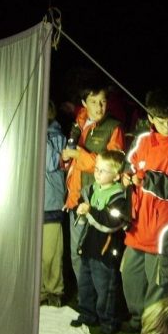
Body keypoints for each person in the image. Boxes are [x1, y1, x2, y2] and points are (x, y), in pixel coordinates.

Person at [121, 90, 168, 332]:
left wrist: (151, 180)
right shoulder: (142, 139)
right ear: (151, 118)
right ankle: (136, 321)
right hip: (137, 225)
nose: (167, 125)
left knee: (159, 285)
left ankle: (153, 332)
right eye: (161, 120)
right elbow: (129, 164)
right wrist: (125, 176)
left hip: (163, 230)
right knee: (129, 276)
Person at [62, 79, 125, 285]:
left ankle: (101, 309)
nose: (99, 106)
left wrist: (79, 154)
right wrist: (65, 159)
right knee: (76, 254)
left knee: (98, 260)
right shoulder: (78, 123)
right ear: (84, 103)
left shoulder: (113, 127)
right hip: (75, 199)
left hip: (98, 203)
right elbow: (72, 163)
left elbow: (112, 166)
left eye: (103, 101)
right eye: (94, 101)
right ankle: (85, 305)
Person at [71, 150, 128, 334]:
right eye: (96, 169)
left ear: (117, 175)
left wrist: (89, 211)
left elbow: (110, 223)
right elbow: (85, 209)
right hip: (89, 246)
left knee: (106, 289)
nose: (97, 173)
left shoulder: (119, 197)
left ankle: (108, 322)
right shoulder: (93, 189)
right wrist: (80, 209)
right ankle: (87, 314)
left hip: (105, 251)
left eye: (103, 171)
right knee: (86, 283)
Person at [42, 100, 67, 307]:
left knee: (51, 251)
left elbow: (50, 163)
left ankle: (54, 290)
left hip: (51, 201)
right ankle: (40, 290)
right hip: (37, 201)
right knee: (39, 251)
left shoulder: (57, 136)